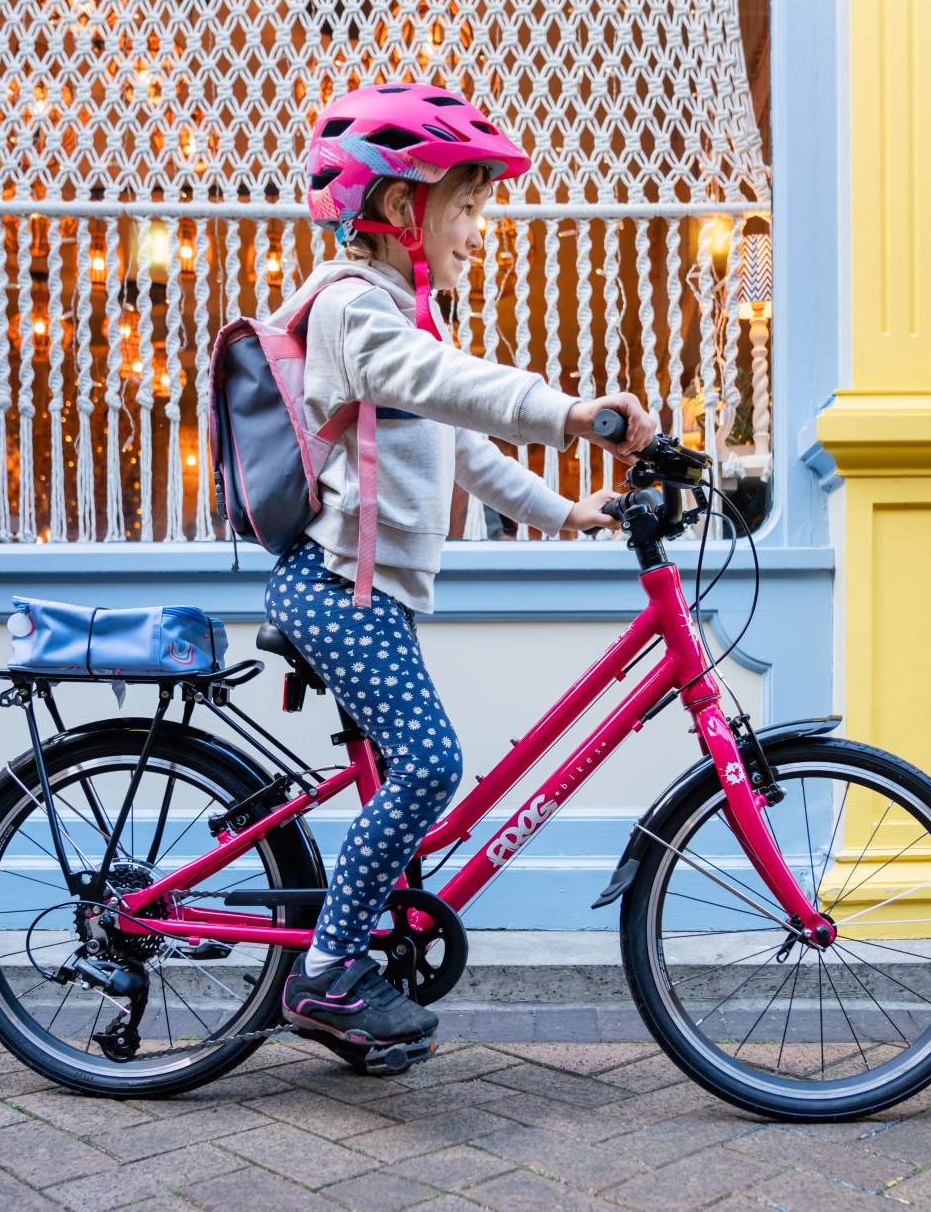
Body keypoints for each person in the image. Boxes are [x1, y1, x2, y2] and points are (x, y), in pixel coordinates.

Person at [266, 83, 655, 1061]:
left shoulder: (399, 317)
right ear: (402, 209)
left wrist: (567, 508)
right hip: (334, 593)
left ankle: (359, 979)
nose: (479, 229)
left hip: (369, 598)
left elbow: (465, 451)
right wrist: (571, 413)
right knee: (432, 764)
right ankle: (324, 974)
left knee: (413, 771)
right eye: (469, 206)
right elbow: (453, 390)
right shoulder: (356, 314)